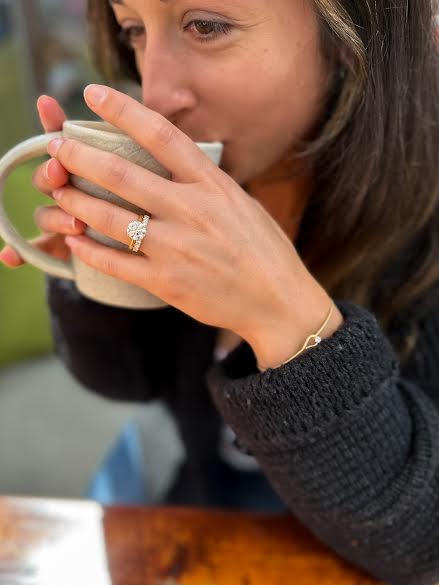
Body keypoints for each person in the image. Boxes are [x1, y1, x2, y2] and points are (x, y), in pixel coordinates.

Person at [1, 0, 438, 583]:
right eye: (133, 29)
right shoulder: (204, 180)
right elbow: (126, 379)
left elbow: (421, 542)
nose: (155, 94)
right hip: (206, 525)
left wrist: (288, 326)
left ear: (347, 32)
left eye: (206, 25)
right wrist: (95, 275)